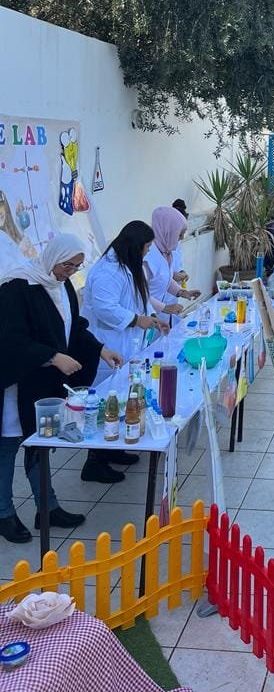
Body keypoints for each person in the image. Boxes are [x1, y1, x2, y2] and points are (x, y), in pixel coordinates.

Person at [0, 234, 123, 542]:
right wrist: (53, 357)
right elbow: (11, 340)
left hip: (42, 386)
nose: (71, 271)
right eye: (67, 265)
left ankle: (48, 508)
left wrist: (101, 349)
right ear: (53, 257)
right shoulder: (18, 288)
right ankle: (3, 514)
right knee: (9, 448)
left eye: (76, 266)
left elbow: (74, 328)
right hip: (16, 385)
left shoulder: (62, 286)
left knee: (40, 444)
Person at [81, 220, 170, 483]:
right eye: (146, 247)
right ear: (134, 246)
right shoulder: (106, 272)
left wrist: (153, 318)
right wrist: (136, 320)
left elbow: (140, 299)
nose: (148, 252)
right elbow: (105, 308)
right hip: (107, 345)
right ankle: (94, 462)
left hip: (126, 345)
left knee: (122, 396)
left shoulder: (128, 266)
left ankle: (113, 448)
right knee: (104, 401)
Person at [144, 207, 200, 322]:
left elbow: (165, 279)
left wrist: (182, 292)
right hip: (145, 316)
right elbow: (138, 294)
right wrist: (165, 308)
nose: (182, 238)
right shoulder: (148, 256)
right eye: (179, 235)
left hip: (157, 316)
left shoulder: (165, 252)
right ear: (167, 232)